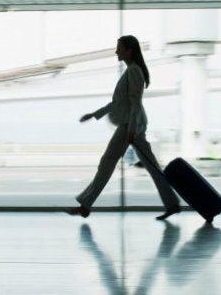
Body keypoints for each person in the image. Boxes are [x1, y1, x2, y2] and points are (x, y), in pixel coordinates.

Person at [66, 35, 181, 220]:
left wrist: (131, 131)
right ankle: (172, 204)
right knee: (150, 166)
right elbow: (117, 103)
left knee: (108, 161)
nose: (116, 51)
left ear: (129, 50)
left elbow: (135, 103)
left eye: (119, 47)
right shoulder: (131, 71)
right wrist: (94, 115)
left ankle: (85, 205)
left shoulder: (134, 71)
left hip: (130, 125)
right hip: (132, 125)